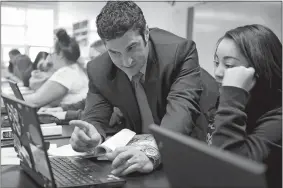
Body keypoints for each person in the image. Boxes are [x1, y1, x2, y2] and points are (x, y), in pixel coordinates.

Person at [70, 1, 202, 176]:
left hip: (192, 150)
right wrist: (90, 136)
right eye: (114, 53)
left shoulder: (179, 53)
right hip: (140, 157)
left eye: (131, 48)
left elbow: (181, 113)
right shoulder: (98, 69)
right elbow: (94, 116)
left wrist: (153, 152)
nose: (126, 62)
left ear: (146, 33)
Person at [206, 24, 282, 188]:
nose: (218, 73)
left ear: (259, 70)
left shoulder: (278, 120)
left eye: (229, 65)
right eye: (216, 62)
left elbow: (229, 172)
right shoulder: (237, 101)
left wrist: (233, 93)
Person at [24, 29, 89, 108]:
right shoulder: (77, 69)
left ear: (60, 54)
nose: (51, 57)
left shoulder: (66, 72)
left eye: (52, 53)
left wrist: (14, 97)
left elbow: (35, 101)